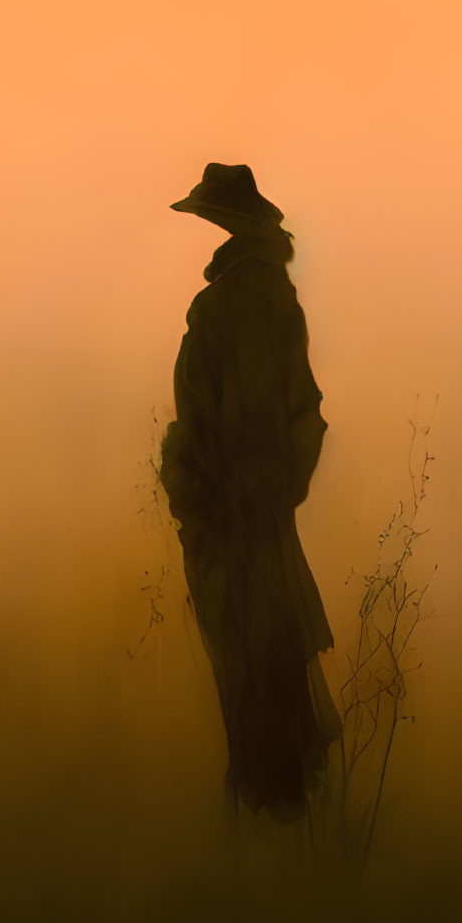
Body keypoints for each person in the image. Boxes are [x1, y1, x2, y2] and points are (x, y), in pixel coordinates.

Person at [159, 162, 342, 813]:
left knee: (245, 672)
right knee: (268, 663)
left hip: (228, 524)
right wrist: (278, 496)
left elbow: (201, 419)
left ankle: (263, 817)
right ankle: (280, 820)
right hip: (255, 518)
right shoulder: (274, 299)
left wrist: (198, 499)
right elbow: (305, 416)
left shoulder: (224, 306)